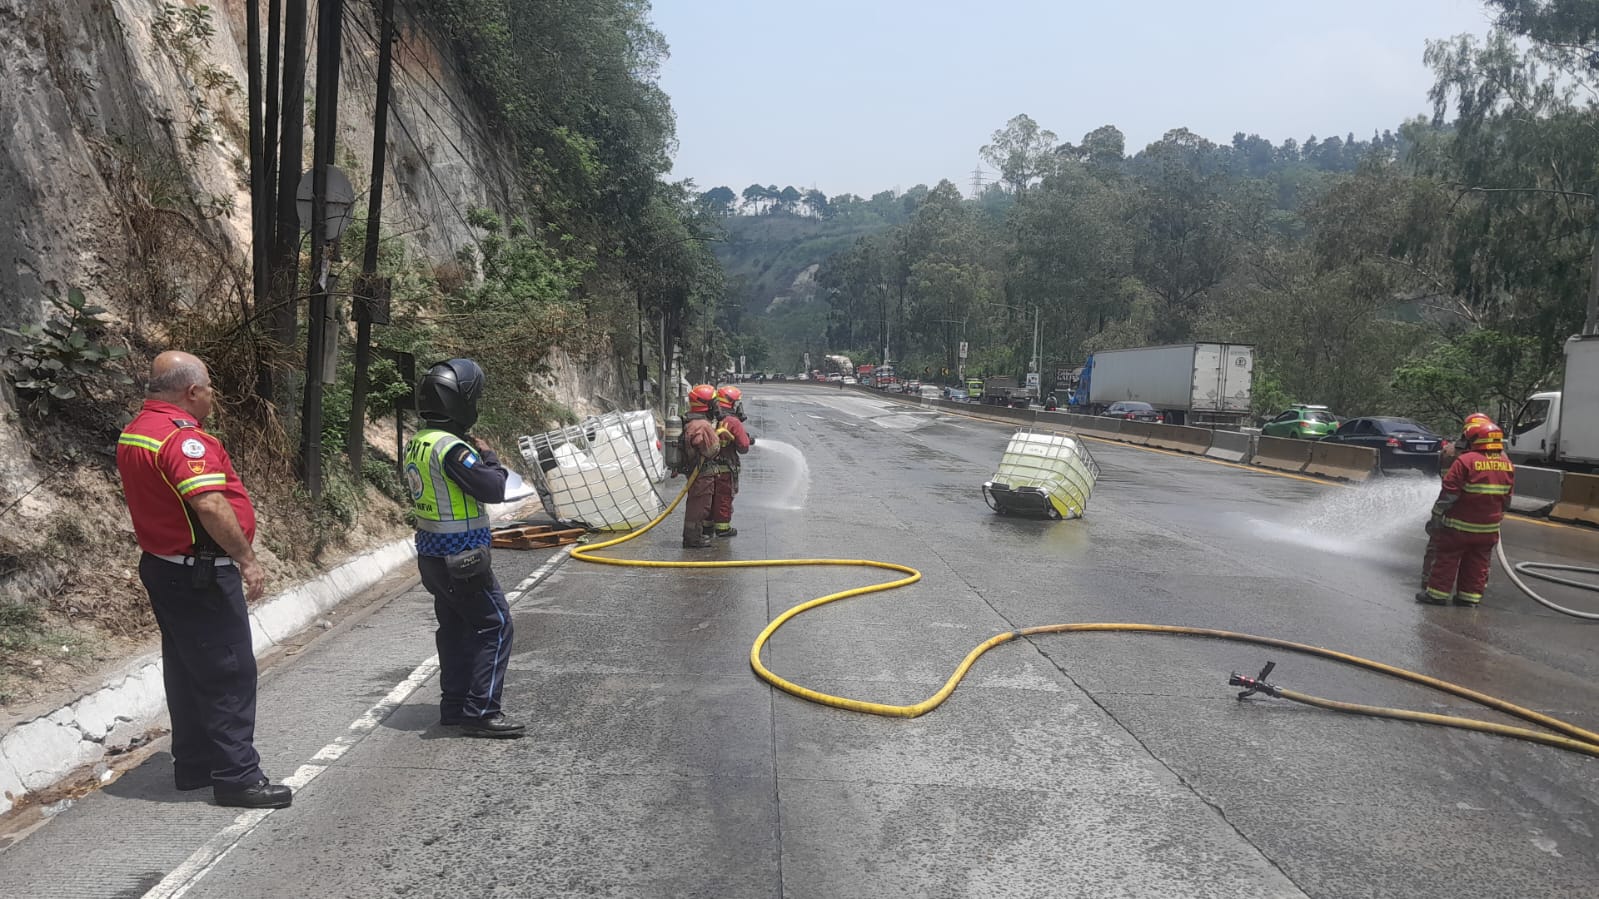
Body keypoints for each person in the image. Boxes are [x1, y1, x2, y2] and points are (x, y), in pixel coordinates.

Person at [115, 351, 291, 809]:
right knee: (228, 672)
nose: (213, 394)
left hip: (163, 567)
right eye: (210, 387)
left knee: (186, 669)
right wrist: (247, 558)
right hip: (200, 575)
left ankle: (194, 764)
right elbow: (210, 505)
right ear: (192, 391)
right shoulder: (182, 440)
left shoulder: (137, 430)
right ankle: (238, 777)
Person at [404, 358, 523, 738]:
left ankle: (454, 705)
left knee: (454, 628)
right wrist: (490, 457)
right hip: (463, 557)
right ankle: (481, 710)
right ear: (460, 403)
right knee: (495, 624)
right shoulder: (453, 449)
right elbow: (494, 487)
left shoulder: (417, 443)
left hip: (431, 556)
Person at [1418, 418, 1515, 607]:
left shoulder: (1466, 460)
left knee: (1447, 558)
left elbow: (1449, 493)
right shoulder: (1507, 463)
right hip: (1488, 529)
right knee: (1477, 563)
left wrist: (1436, 515)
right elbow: (1507, 497)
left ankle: (1437, 595)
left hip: (1459, 527)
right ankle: (1468, 599)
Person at [1420, 412, 1492, 587]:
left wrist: (1437, 515)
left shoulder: (1449, 452)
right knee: (1479, 555)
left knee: (1440, 548)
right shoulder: (1496, 455)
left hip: (1452, 511)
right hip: (1484, 515)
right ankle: (1474, 588)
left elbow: (1446, 486)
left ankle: (1430, 582)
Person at [679, 384, 722, 548]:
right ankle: (692, 539)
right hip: (702, 474)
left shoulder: (692, 421)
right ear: (707, 404)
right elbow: (711, 451)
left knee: (696, 504)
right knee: (699, 507)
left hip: (696, 472)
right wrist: (716, 436)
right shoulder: (703, 426)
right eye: (714, 402)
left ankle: (693, 536)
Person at [708, 386, 752, 539]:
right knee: (724, 497)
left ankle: (707, 526)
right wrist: (747, 439)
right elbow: (744, 447)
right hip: (725, 469)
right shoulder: (733, 421)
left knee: (709, 497)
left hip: (706, 468)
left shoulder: (711, 417)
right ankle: (723, 528)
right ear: (731, 402)